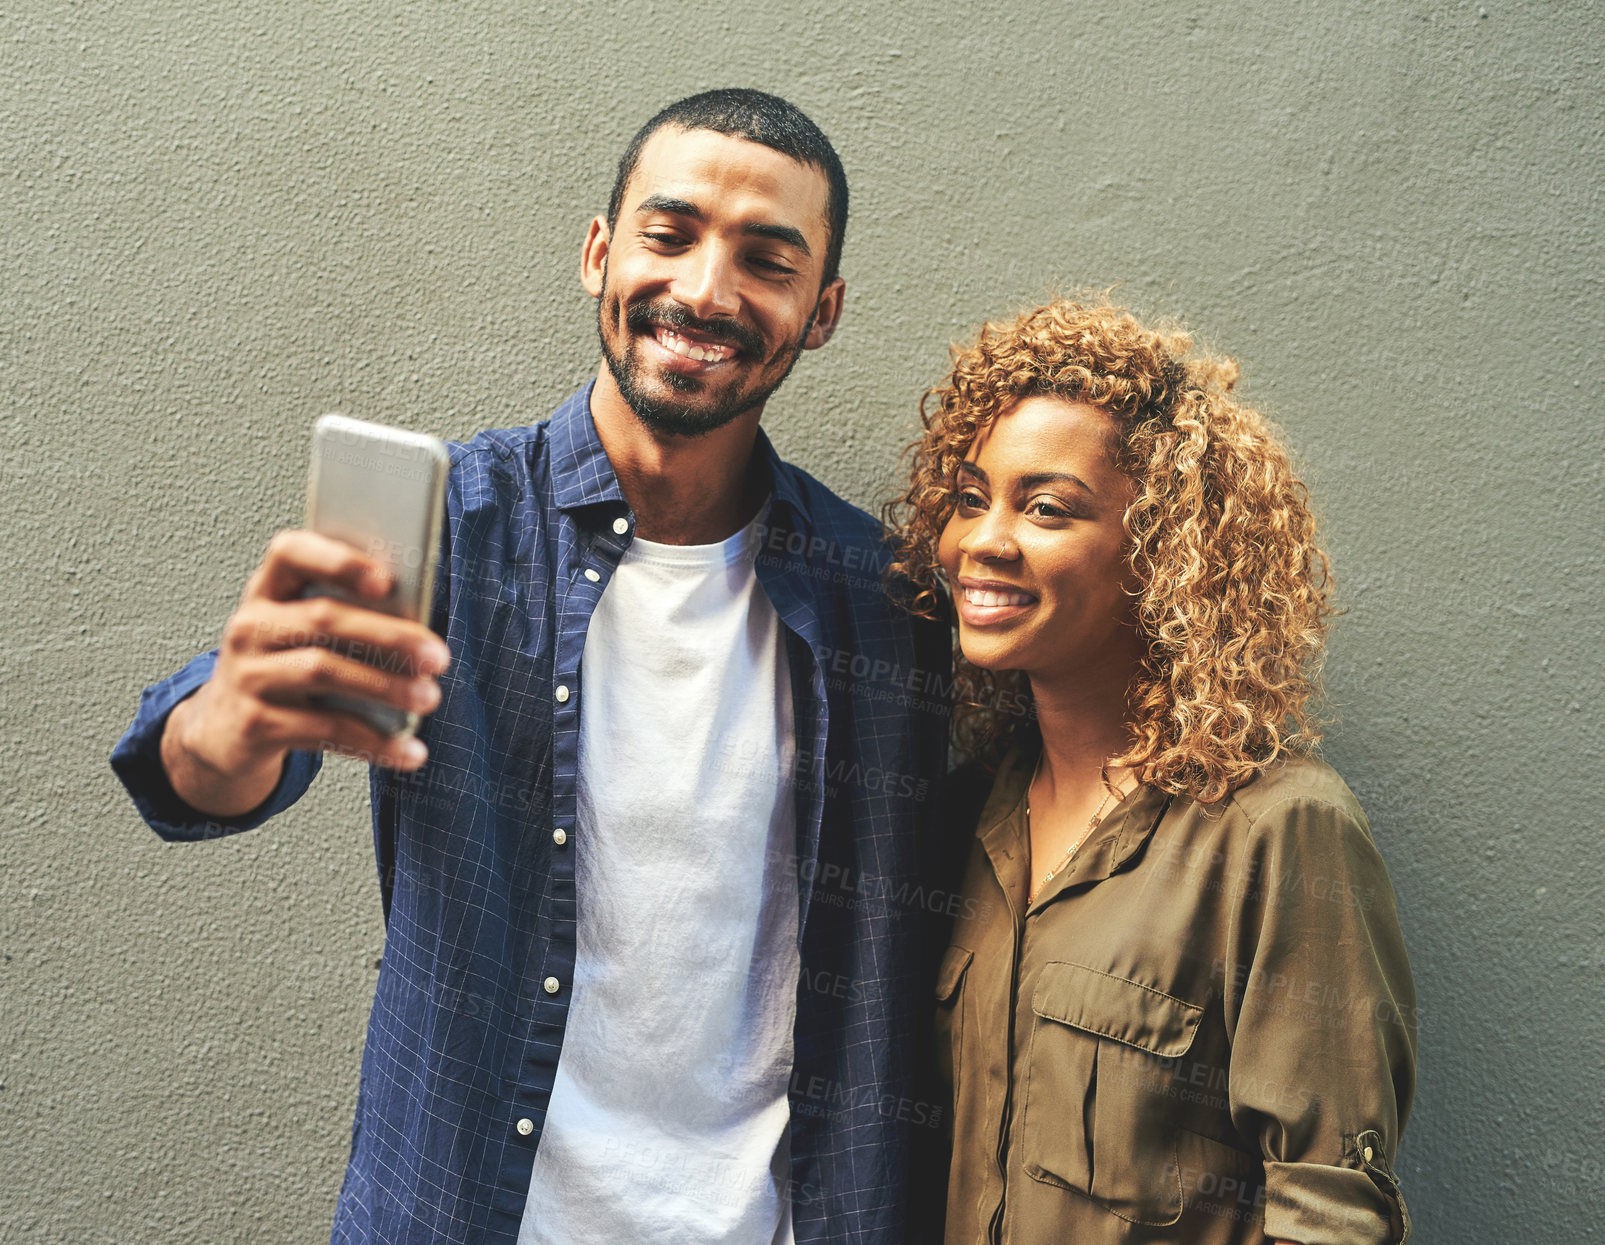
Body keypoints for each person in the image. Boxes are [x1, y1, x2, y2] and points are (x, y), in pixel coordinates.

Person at [110, 89, 949, 1245]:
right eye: (670, 234)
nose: (707, 290)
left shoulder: (883, 597)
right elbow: (197, 775)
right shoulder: (448, 526)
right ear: (601, 253)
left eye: (766, 260)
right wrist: (230, 726)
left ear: (822, 311)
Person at [888, 297, 1416, 1243]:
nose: (982, 541)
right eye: (970, 498)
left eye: (1045, 507)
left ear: (1164, 551)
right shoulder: (975, 810)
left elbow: (1329, 1211)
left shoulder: (1276, 831)